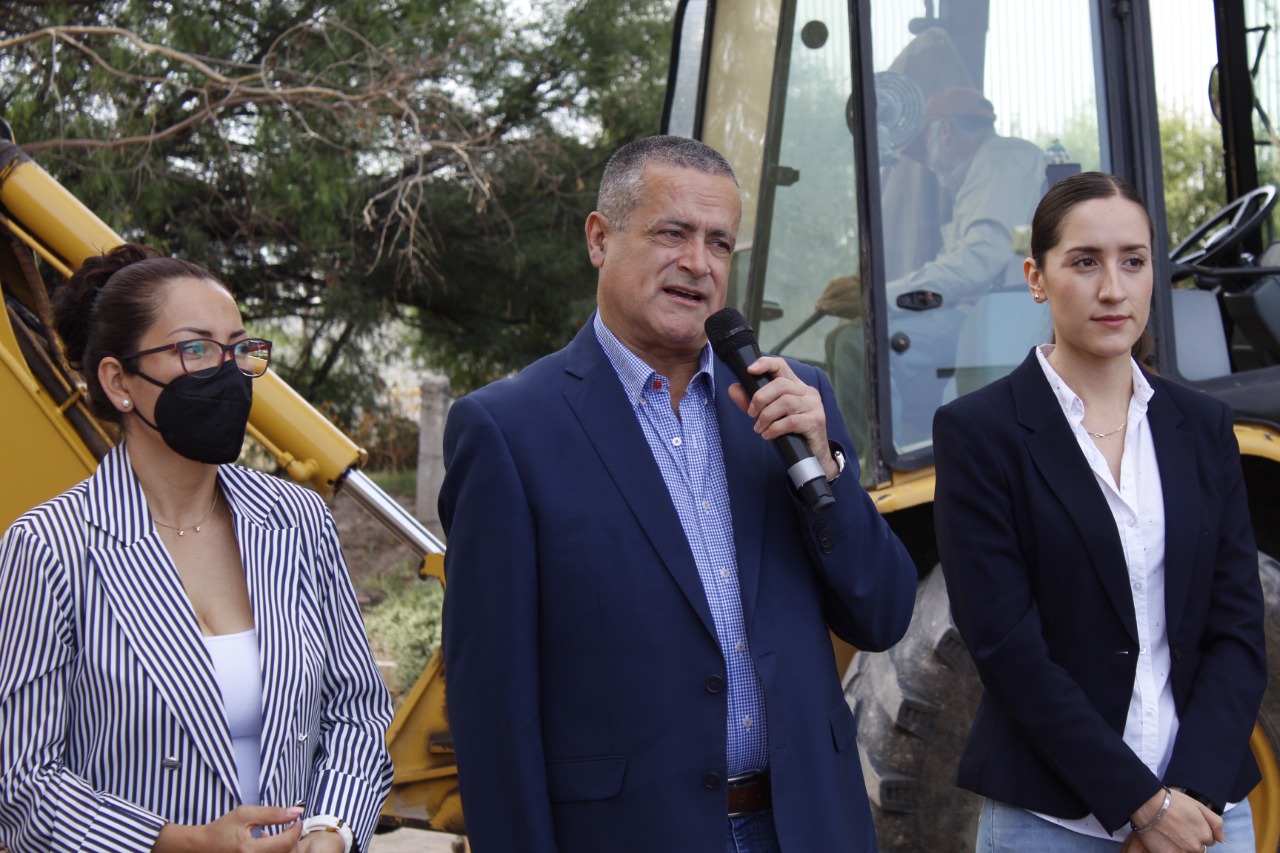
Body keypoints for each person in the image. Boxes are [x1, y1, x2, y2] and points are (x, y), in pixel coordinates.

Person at [438, 135, 917, 852]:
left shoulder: (790, 401)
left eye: (720, 243)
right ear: (600, 238)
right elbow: (492, 710)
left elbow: (882, 614)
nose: (698, 263)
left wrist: (830, 470)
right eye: (673, 233)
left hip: (810, 825)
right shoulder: (508, 431)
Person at [0, 244, 394, 853]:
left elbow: (357, 710)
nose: (229, 370)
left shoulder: (295, 521)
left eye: (239, 349)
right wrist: (181, 843)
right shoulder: (50, 549)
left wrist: (330, 831)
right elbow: (23, 782)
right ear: (118, 380)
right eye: (196, 348)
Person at [933, 172, 1265, 852]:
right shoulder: (981, 433)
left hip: (1206, 816)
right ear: (1037, 277)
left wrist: (1189, 798)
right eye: (1085, 262)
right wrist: (1140, 804)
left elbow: (1237, 631)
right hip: (1055, 821)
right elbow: (1006, 648)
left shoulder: (1203, 427)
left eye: (1133, 261)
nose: (1113, 288)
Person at [821, 87, 1050, 449]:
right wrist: (880, 303)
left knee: (858, 344)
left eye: (924, 148)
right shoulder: (980, 179)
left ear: (943, 131)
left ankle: (874, 461)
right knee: (844, 339)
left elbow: (973, 268)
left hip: (1006, 325)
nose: (928, 163)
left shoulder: (1001, 160)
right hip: (981, 319)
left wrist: (876, 300)